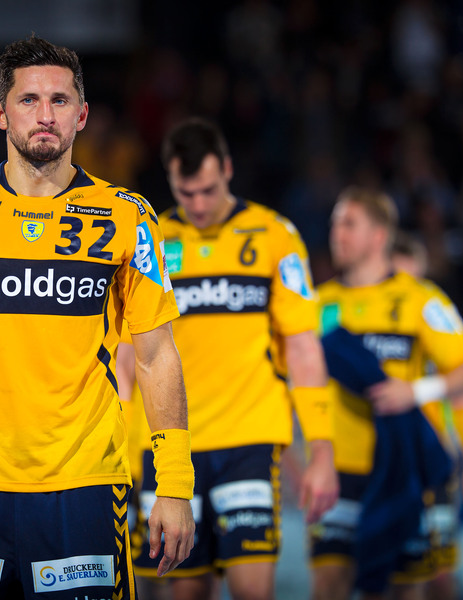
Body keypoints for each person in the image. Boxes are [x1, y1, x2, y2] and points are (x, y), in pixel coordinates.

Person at [0, 34, 195, 600]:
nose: (45, 115)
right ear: (1, 113)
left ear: (82, 115)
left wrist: (174, 482)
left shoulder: (127, 217)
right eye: (28, 100)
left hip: (84, 487)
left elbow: (157, 354)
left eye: (60, 100)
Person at [122, 117, 338, 600]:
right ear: (170, 178)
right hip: (167, 444)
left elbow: (304, 348)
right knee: (185, 592)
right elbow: (127, 353)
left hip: (248, 441)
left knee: (253, 590)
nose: (198, 205)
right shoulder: (150, 240)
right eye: (186, 193)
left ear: (228, 169)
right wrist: (117, 440)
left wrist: (321, 449)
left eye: (208, 190)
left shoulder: (274, 236)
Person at [310, 187, 463, 600]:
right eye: (335, 224)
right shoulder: (317, 305)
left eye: (349, 224)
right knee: (327, 586)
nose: (337, 234)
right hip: (339, 473)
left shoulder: (420, 300)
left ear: (378, 236)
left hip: (400, 472)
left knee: (408, 590)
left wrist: (416, 391)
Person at [391, 230, 463, 600]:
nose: (407, 292)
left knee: (438, 573)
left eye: (414, 280)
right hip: (378, 461)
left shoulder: (431, 312)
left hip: (431, 462)